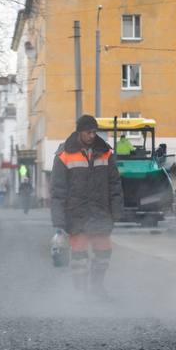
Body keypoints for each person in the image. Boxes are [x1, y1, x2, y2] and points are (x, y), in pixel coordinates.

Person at [50, 114, 122, 294]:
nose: (92, 136)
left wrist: (117, 211)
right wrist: (59, 221)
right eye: (89, 132)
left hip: (100, 211)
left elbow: (115, 184)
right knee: (79, 255)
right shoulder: (64, 155)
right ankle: (80, 291)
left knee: (104, 252)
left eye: (94, 132)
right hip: (76, 213)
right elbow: (58, 190)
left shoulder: (106, 152)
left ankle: (97, 286)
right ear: (80, 132)